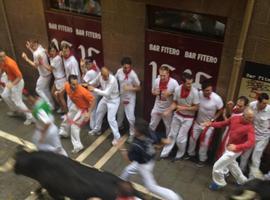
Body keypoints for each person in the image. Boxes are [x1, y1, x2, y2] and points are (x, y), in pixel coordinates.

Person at [119, 118, 182, 200]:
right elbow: (161, 140)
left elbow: (128, 159)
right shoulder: (150, 133)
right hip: (149, 160)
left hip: (144, 165)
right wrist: (163, 143)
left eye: (135, 129)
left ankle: (173, 197)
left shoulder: (136, 145)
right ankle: (121, 183)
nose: (134, 130)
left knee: (151, 187)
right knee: (128, 170)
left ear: (138, 132)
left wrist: (121, 148)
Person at [204, 108, 255, 190]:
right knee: (233, 165)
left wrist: (237, 147)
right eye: (249, 117)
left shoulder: (250, 127)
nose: (251, 120)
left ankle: (219, 182)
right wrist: (211, 124)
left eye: (252, 117)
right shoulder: (234, 118)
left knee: (217, 167)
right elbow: (223, 123)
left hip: (235, 151)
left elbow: (251, 142)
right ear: (243, 115)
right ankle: (244, 182)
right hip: (229, 147)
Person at [160, 72, 199, 161]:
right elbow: (174, 103)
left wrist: (183, 107)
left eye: (191, 83)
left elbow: (196, 108)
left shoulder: (195, 92)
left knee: (180, 138)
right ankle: (164, 154)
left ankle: (180, 154)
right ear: (183, 82)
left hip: (188, 118)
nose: (190, 85)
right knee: (171, 135)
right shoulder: (177, 89)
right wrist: (168, 111)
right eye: (188, 83)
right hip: (177, 115)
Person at [185, 80, 223, 167]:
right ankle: (190, 155)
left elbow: (221, 110)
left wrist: (212, 120)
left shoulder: (217, 98)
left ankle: (202, 159)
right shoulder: (198, 95)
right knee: (192, 139)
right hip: (198, 122)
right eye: (207, 90)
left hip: (209, 125)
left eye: (210, 90)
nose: (209, 92)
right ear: (202, 90)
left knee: (204, 143)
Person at [59, 75, 95, 153]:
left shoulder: (82, 91)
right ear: (69, 83)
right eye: (73, 84)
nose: (75, 86)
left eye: (76, 84)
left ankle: (78, 146)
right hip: (77, 106)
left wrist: (89, 113)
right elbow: (63, 89)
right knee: (68, 118)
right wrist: (58, 92)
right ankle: (64, 132)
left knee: (74, 126)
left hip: (84, 109)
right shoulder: (67, 85)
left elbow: (93, 100)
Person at [88, 67, 121, 146]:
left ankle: (117, 137)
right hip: (105, 99)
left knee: (111, 119)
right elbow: (94, 81)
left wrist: (94, 89)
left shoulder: (112, 80)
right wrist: (89, 84)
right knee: (99, 112)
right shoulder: (100, 75)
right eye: (104, 76)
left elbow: (106, 93)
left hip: (113, 101)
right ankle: (97, 129)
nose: (106, 77)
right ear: (101, 74)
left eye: (107, 76)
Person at [0, 49, 34, 125]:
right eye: (1, 57)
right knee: (4, 95)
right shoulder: (1, 62)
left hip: (18, 82)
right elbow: (2, 69)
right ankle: (15, 111)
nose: (3, 58)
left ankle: (30, 117)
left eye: (4, 56)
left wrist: (12, 84)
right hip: (10, 81)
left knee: (18, 102)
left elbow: (20, 77)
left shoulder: (11, 63)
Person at [240, 93, 270, 177]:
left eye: (266, 103)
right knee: (245, 155)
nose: (265, 105)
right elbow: (245, 117)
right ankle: (240, 173)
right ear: (258, 102)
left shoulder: (269, 109)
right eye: (263, 103)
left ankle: (252, 178)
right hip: (251, 135)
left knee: (255, 158)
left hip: (263, 137)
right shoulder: (252, 105)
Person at [21, 39, 55, 109]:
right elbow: (35, 53)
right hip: (48, 74)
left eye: (32, 46)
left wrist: (26, 59)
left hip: (44, 75)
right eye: (31, 46)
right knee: (45, 89)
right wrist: (30, 48)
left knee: (38, 89)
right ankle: (52, 105)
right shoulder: (41, 48)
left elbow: (35, 65)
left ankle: (49, 105)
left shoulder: (36, 53)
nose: (32, 47)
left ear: (36, 44)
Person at [115, 57, 141, 142]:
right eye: (125, 67)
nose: (127, 69)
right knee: (120, 113)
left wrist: (130, 88)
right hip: (121, 96)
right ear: (122, 66)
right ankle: (119, 126)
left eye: (128, 67)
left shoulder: (133, 75)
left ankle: (132, 134)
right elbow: (114, 81)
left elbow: (139, 88)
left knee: (131, 117)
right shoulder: (119, 71)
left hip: (130, 98)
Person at [149, 65, 179, 137]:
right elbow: (152, 91)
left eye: (164, 76)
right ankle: (150, 141)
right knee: (152, 125)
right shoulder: (157, 80)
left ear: (168, 74)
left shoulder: (174, 83)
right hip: (157, 107)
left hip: (168, 109)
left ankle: (167, 146)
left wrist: (170, 94)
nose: (162, 77)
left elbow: (179, 96)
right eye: (161, 75)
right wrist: (155, 93)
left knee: (168, 127)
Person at [46, 43, 67, 114]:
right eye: (51, 51)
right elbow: (50, 57)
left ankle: (66, 112)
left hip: (61, 79)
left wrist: (41, 62)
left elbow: (49, 69)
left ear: (56, 50)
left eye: (54, 51)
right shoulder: (53, 57)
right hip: (57, 80)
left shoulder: (56, 59)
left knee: (60, 97)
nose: (52, 52)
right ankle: (62, 108)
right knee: (53, 93)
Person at [80, 56, 100, 130]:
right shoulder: (96, 68)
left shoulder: (90, 73)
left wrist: (82, 69)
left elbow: (83, 81)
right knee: (95, 109)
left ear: (91, 63)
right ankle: (95, 126)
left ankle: (93, 127)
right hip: (96, 91)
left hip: (92, 92)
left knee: (92, 110)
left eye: (86, 63)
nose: (85, 65)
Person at [60, 43, 81, 108]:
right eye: (64, 52)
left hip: (74, 85)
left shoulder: (72, 61)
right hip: (69, 84)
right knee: (70, 104)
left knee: (73, 105)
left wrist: (69, 86)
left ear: (69, 50)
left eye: (67, 51)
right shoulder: (64, 57)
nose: (66, 53)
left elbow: (74, 77)